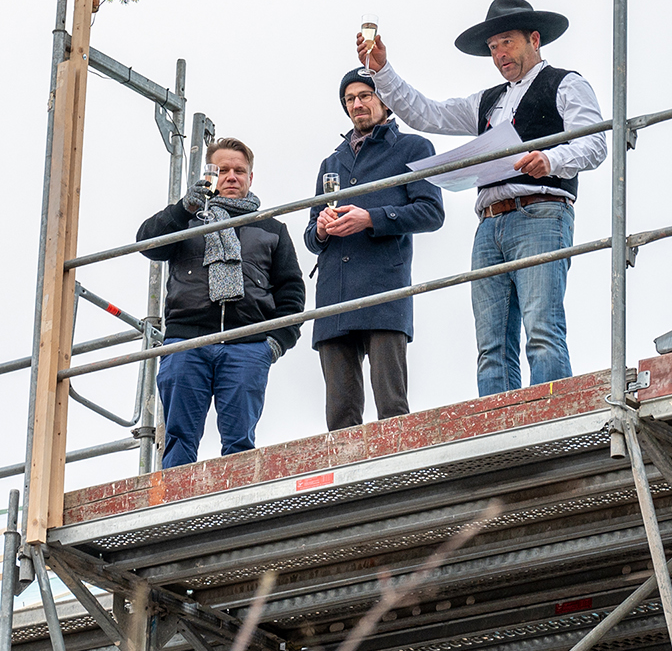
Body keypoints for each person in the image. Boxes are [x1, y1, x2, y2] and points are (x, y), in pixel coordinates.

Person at [358, 0, 607, 397]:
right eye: (493, 48)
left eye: (506, 42)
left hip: (540, 212)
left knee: (542, 330)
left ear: (534, 39)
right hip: (489, 222)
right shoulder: (488, 100)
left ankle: (551, 416)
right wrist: (382, 71)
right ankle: (501, 427)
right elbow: (426, 113)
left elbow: (594, 142)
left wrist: (552, 159)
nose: (499, 54)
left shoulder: (566, 83)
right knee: (491, 344)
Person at [136, 138, 306, 468]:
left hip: (248, 346)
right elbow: (147, 244)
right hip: (187, 342)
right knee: (179, 438)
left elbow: (291, 292)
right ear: (211, 175)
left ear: (250, 178)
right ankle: (174, 513)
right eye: (224, 170)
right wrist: (182, 209)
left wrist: (274, 344)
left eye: (239, 171)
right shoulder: (186, 220)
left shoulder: (272, 229)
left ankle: (235, 514)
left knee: (240, 444)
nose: (231, 177)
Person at [305, 70, 446, 429]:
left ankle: (399, 481)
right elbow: (309, 236)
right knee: (339, 415)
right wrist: (320, 229)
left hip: (384, 288)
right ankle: (345, 485)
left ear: (385, 100)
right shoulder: (330, 163)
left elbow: (432, 212)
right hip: (334, 293)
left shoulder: (414, 148)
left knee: (392, 408)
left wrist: (371, 218)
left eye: (365, 95)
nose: (357, 104)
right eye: (350, 99)